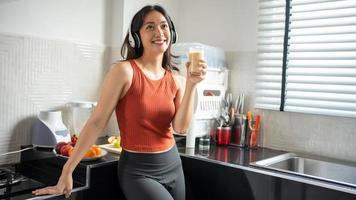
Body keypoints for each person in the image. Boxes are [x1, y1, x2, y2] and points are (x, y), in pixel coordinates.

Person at [32, 4, 207, 200]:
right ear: (136, 36)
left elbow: (181, 128)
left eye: (164, 26)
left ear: (171, 33)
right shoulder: (124, 72)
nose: (159, 32)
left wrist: (192, 84)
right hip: (138, 172)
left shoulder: (177, 80)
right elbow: (97, 122)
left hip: (173, 165)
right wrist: (68, 169)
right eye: (150, 27)